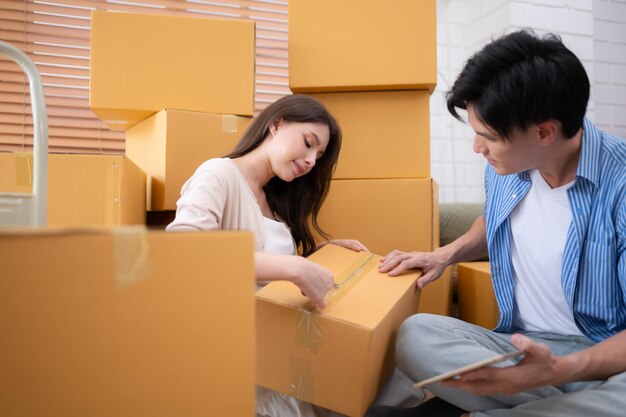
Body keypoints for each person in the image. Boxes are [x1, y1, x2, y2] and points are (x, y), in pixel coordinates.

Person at [367, 30, 626, 417]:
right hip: (518, 348)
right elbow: (496, 222)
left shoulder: (619, 183)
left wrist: (559, 370)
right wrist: (445, 254)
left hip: (605, 356)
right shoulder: (506, 167)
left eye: (486, 136)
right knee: (416, 335)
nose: (477, 148)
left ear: (543, 132)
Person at [167, 94, 367, 416]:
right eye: (308, 143)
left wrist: (320, 255)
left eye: (318, 155)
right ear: (276, 124)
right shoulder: (219, 173)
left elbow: (268, 269)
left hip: (276, 349)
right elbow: (183, 253)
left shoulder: (276, 200)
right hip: (229, 353)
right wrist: (295, 267)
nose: (311, 160)